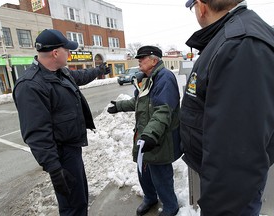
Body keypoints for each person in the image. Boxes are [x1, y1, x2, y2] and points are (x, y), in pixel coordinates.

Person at [180, 0, 274, 215]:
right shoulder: (231, 39)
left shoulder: (239, 45)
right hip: (228, 188)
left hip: (230, 200)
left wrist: (219, 209)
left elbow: (237, 156)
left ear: (201, 7)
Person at [12, 29, 110, 216]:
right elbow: (37, 133)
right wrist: (55, 170)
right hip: (61, 155)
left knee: (80, 200)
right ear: (56, 53)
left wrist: (98, 70)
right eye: (67, 50)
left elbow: (80, 77)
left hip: (72, 149)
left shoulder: (60, 72)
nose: (70, 53)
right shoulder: (30, 85)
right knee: (72, 207)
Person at [107, 45, 182, 216]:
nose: (139, 61)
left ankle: (171, 206)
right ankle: (150, 198)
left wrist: (150, 135)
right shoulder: (146, 79)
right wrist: (120, 106)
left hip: (158, 138)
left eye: (143, 58)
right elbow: (138, 102)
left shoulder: (165, 79)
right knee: (144, 171)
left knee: (160, 174)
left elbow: (163, 111)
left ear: (154, 60)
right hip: (144, 136)